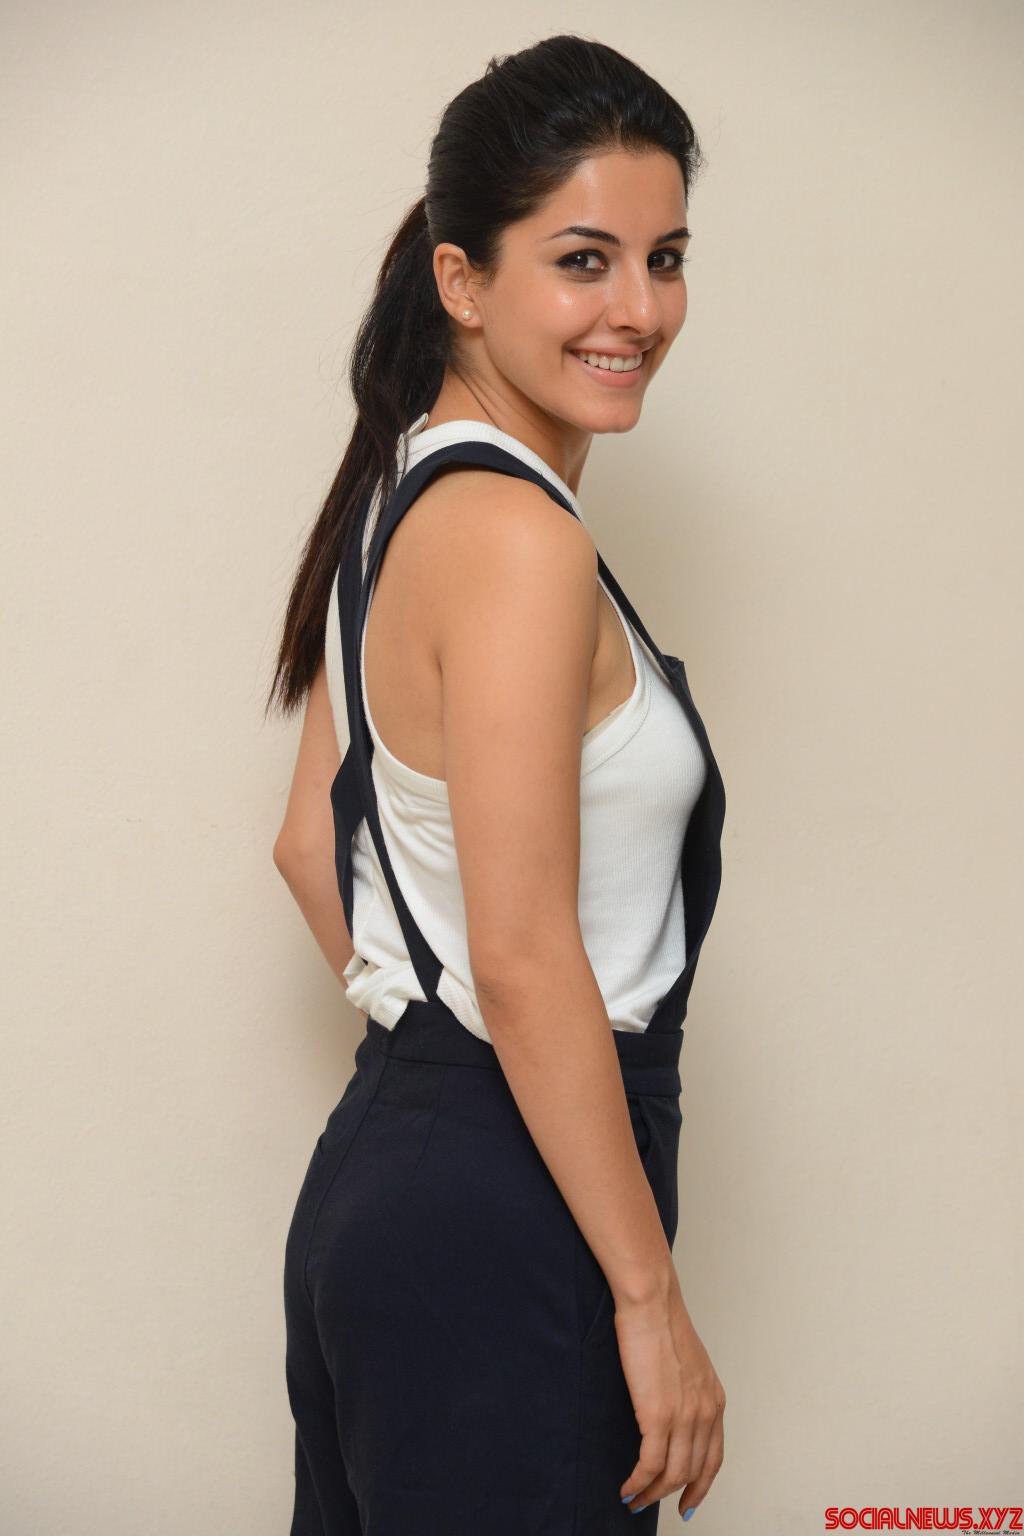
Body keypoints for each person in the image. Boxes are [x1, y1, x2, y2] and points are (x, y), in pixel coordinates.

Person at [267, 33, 728, 1535]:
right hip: (507, 1209)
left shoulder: (398, 494)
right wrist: (646, 1292)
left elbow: (306, 847)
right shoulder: (522, 541)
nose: (638, 308)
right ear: (462, 281)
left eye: (665, 258)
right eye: (583, 260)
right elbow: (525, 958)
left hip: (398, 1184)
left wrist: (431, 1068)